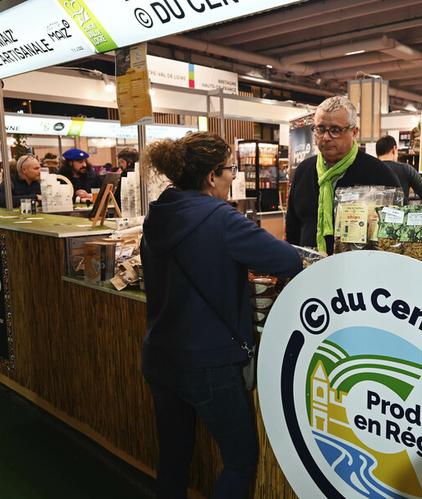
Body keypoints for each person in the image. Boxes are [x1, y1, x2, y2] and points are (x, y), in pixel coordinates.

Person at [140, 132, 302, 499]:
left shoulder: (158, 215)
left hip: (160, 355)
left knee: (173, 460)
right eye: (231, 169)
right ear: (212, 176)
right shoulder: (221, 218)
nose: (233, 176)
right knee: (240, 460)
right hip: (209, 362)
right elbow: (287, 260)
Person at [285, 96, 400, 254]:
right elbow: (293, 229)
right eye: (320, 129)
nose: (326, 137)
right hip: (309, 273)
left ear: (354, 132)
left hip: (361, 272)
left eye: (335, 130)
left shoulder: (379, 174)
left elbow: (396, 236)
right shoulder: (304, 171)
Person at [376, 135, 422, 205]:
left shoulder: (369, 169)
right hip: (399, 215)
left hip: (372, 215)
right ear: (394, 149)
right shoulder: (406, 169)